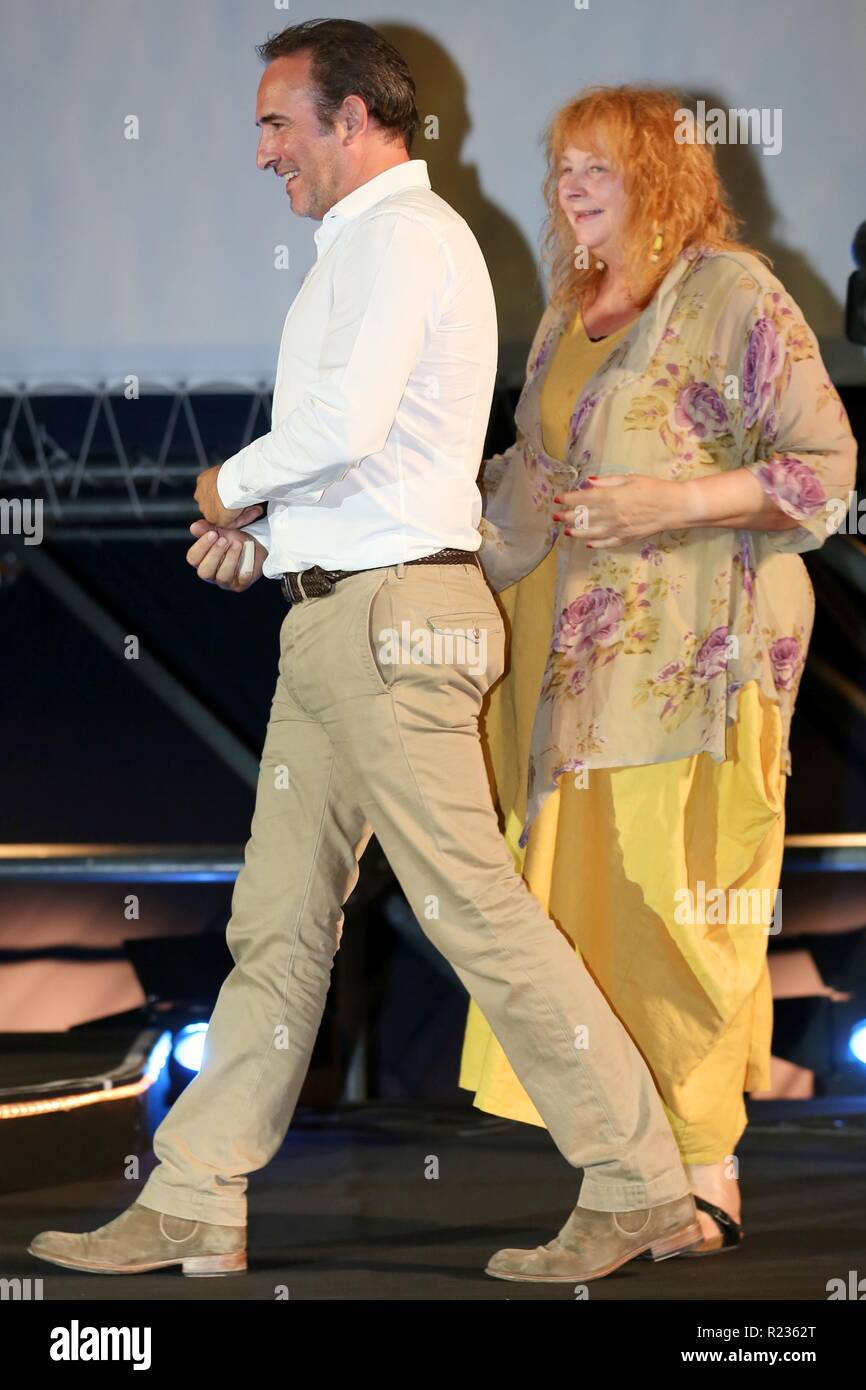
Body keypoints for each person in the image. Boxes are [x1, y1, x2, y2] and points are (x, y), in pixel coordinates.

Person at [28, 23, 702, 1287]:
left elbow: (345, 421)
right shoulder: (370, 246)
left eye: (280, 123)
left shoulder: (401, 235)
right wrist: (271, 536)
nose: (263, 151)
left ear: (354, 121)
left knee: (475, 914)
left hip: (396, 626)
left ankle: (639, 1184)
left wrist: (225, 483)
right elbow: (379, 459)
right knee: (275, 924)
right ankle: (193, 1197)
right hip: (344, 615)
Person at [460, 84, 858, 1258]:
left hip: (697, 665)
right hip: (575, 685)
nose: (567, 185)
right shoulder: (562, 313)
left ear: (663, 175)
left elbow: (824, 468)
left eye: (597, 165)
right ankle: (636, 1175)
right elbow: (524, 489)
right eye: (558, 166)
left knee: (683, 915)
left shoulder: (732, 290)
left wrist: (672, 500)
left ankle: (705, 1173)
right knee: (584, 925)